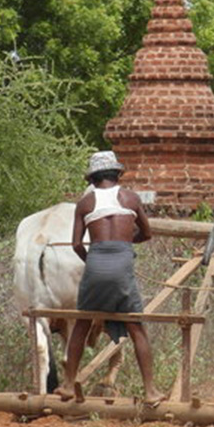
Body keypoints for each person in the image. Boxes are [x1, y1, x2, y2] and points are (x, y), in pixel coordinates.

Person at [54, 151, 165, 405]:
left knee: (82, 324)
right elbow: (147, 233)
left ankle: (69, 385)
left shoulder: (86, 203)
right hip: (122, 262)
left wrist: (94, 261)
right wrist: (124, 245)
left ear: (93, 179)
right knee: (136, 328)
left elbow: (76, 244)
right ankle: (150, 391)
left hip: (95, 263)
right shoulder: (130, 198)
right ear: (117, 175)